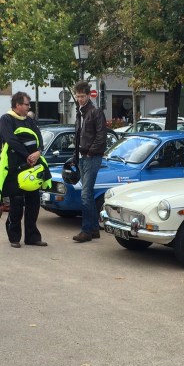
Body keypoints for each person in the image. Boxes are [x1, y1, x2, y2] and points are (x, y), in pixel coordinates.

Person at [0, 91, 49, 248]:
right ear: (17, 105)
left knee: (33, 203)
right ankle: (14, 237)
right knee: (17, 203)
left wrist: (38, 152)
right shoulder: (6, 119)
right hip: (15, 168)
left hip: (32, 167)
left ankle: (32, 237)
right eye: (26, 104)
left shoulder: (29, 120)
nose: (28, 107)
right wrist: (27, 155)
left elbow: (39, 137)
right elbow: (11, 139)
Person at [72, 80, 106, 243]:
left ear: (88, 95)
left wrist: (90, 153)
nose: (80, 99)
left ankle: (86, 230)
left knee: (85, 195)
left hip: (91, 157)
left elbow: (101, 136)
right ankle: (93, 229)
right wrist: (76, 156)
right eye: (78, 96)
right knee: (88, 195)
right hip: (83, 156)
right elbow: (78, 136)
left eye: (82, 96)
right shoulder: (80, 112)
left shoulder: (95, 112)